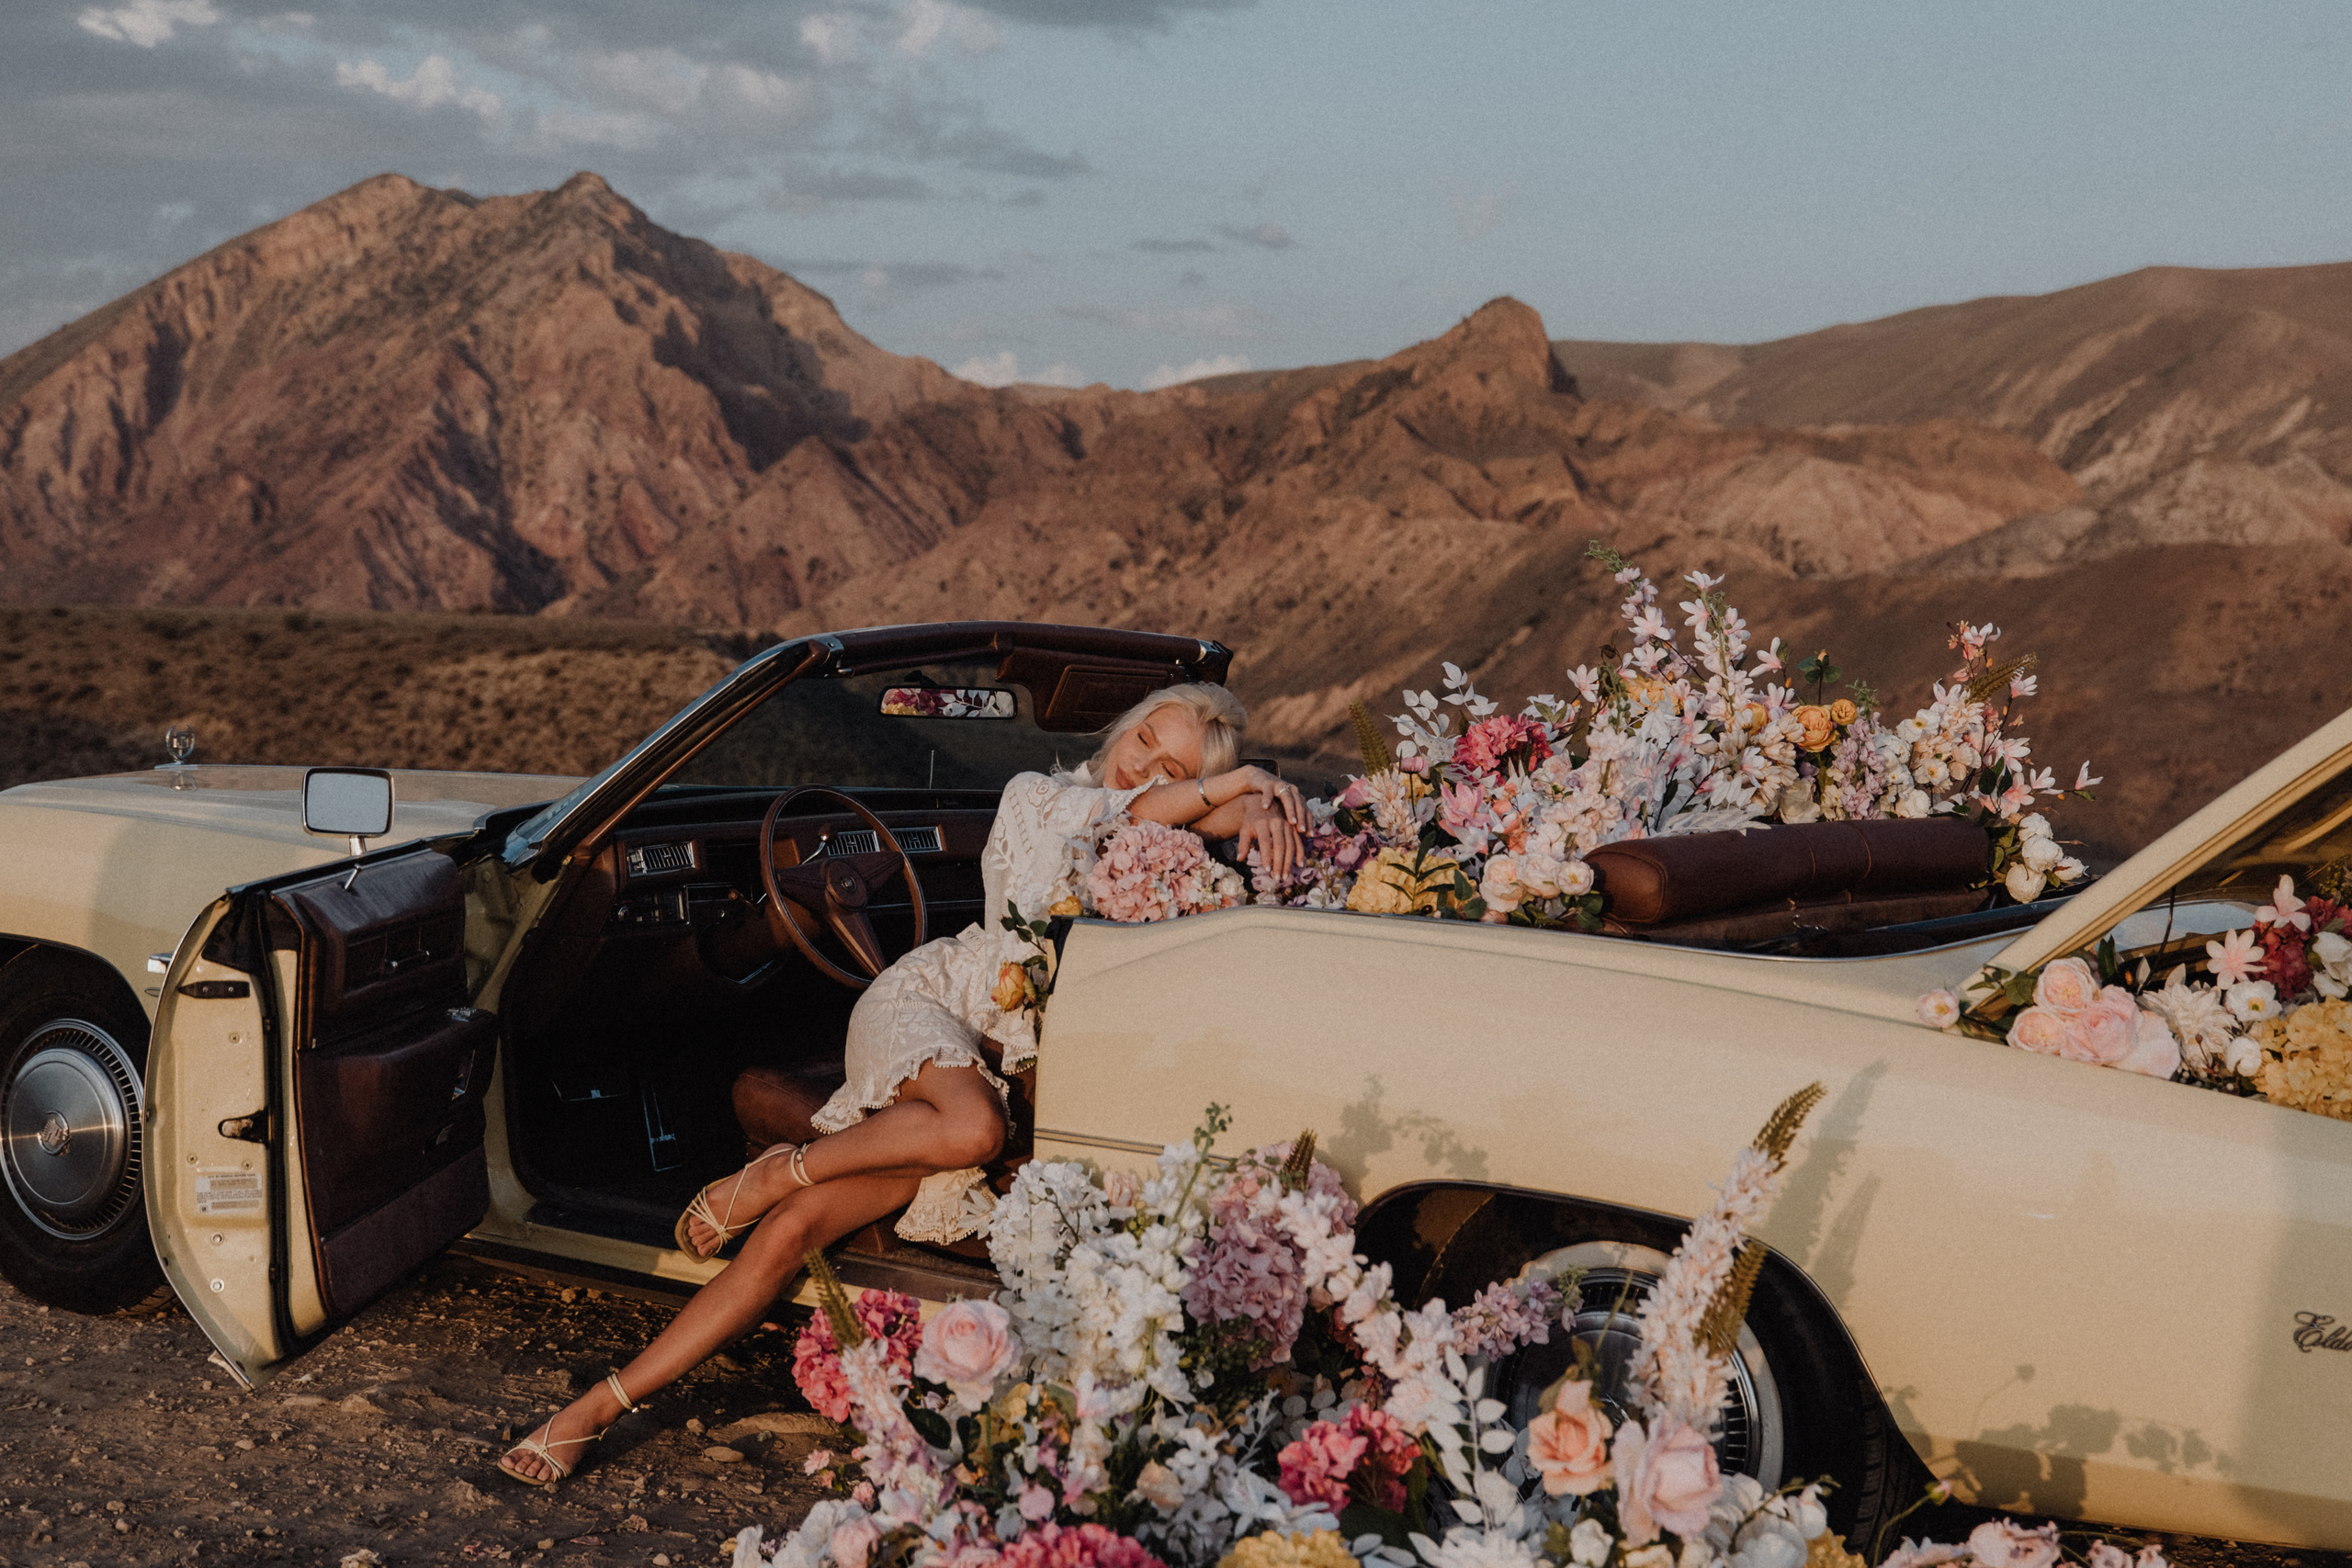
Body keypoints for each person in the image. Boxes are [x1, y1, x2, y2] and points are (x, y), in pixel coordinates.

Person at [498, 682, 1306, 1485]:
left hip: (1003, 1063)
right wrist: (1227, 785)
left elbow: (1216, 818)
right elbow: (1124, 813)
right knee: (975, 1131)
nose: (1146, 770)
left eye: (1173, 765)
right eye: (1145, 744)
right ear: (1120, 730)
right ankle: (779, 1166)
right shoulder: (1044, 797)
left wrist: (1264, 802)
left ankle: (595, 1408)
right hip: (930, 1005)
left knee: (788, 1235)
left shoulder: (1164, 837)